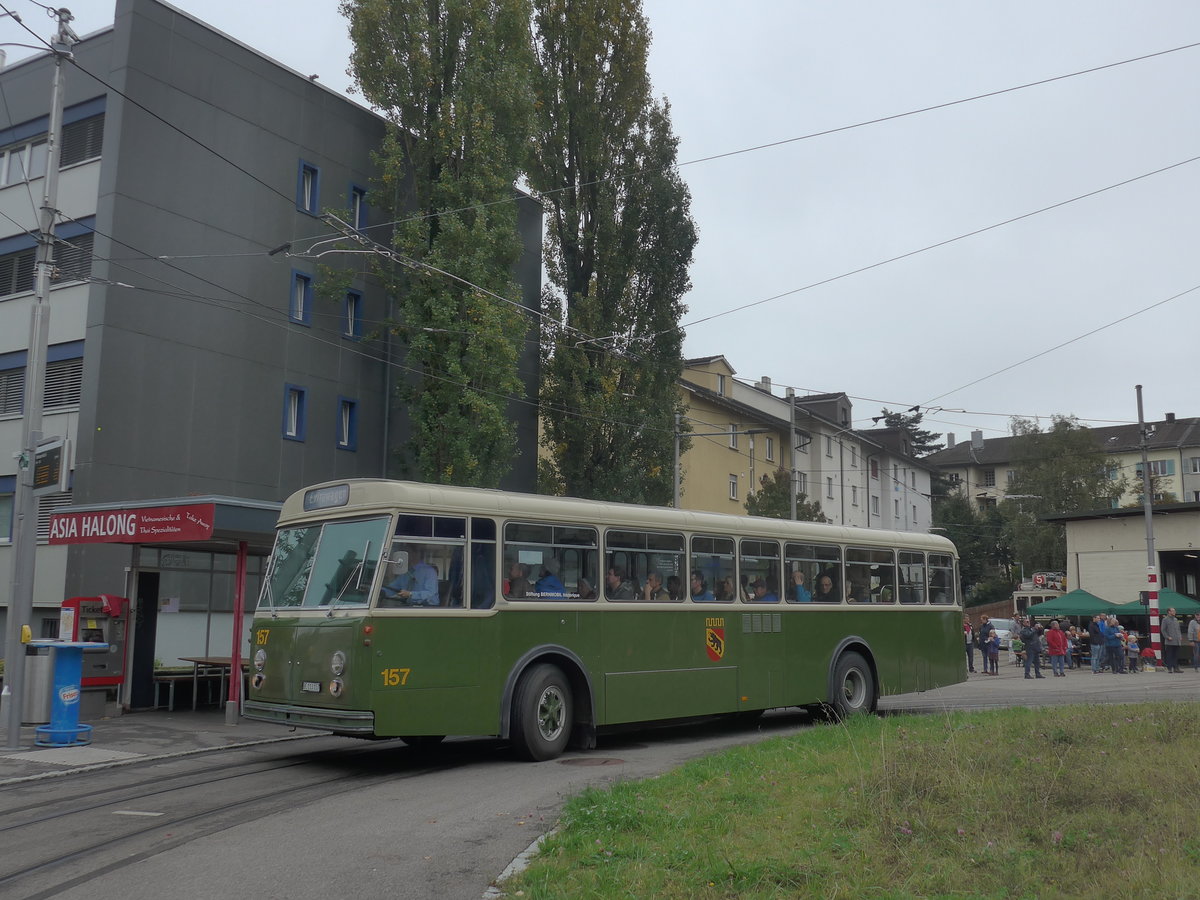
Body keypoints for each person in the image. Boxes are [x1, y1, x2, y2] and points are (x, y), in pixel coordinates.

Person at [1161, 607, 1184, 673]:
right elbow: (1163, 630)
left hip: (1177, 640)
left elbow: (1178, 629)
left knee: (1176, 655)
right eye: (1173, 611)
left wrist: (1180, 636)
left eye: (1174, 611)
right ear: (1169, 612)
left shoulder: (1176, 619)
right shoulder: (1165, 619)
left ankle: (1176, 667)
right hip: (1169, 641)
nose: (1174, 612)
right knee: (1169, 655)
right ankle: (1169, 668)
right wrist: (1167, 637)